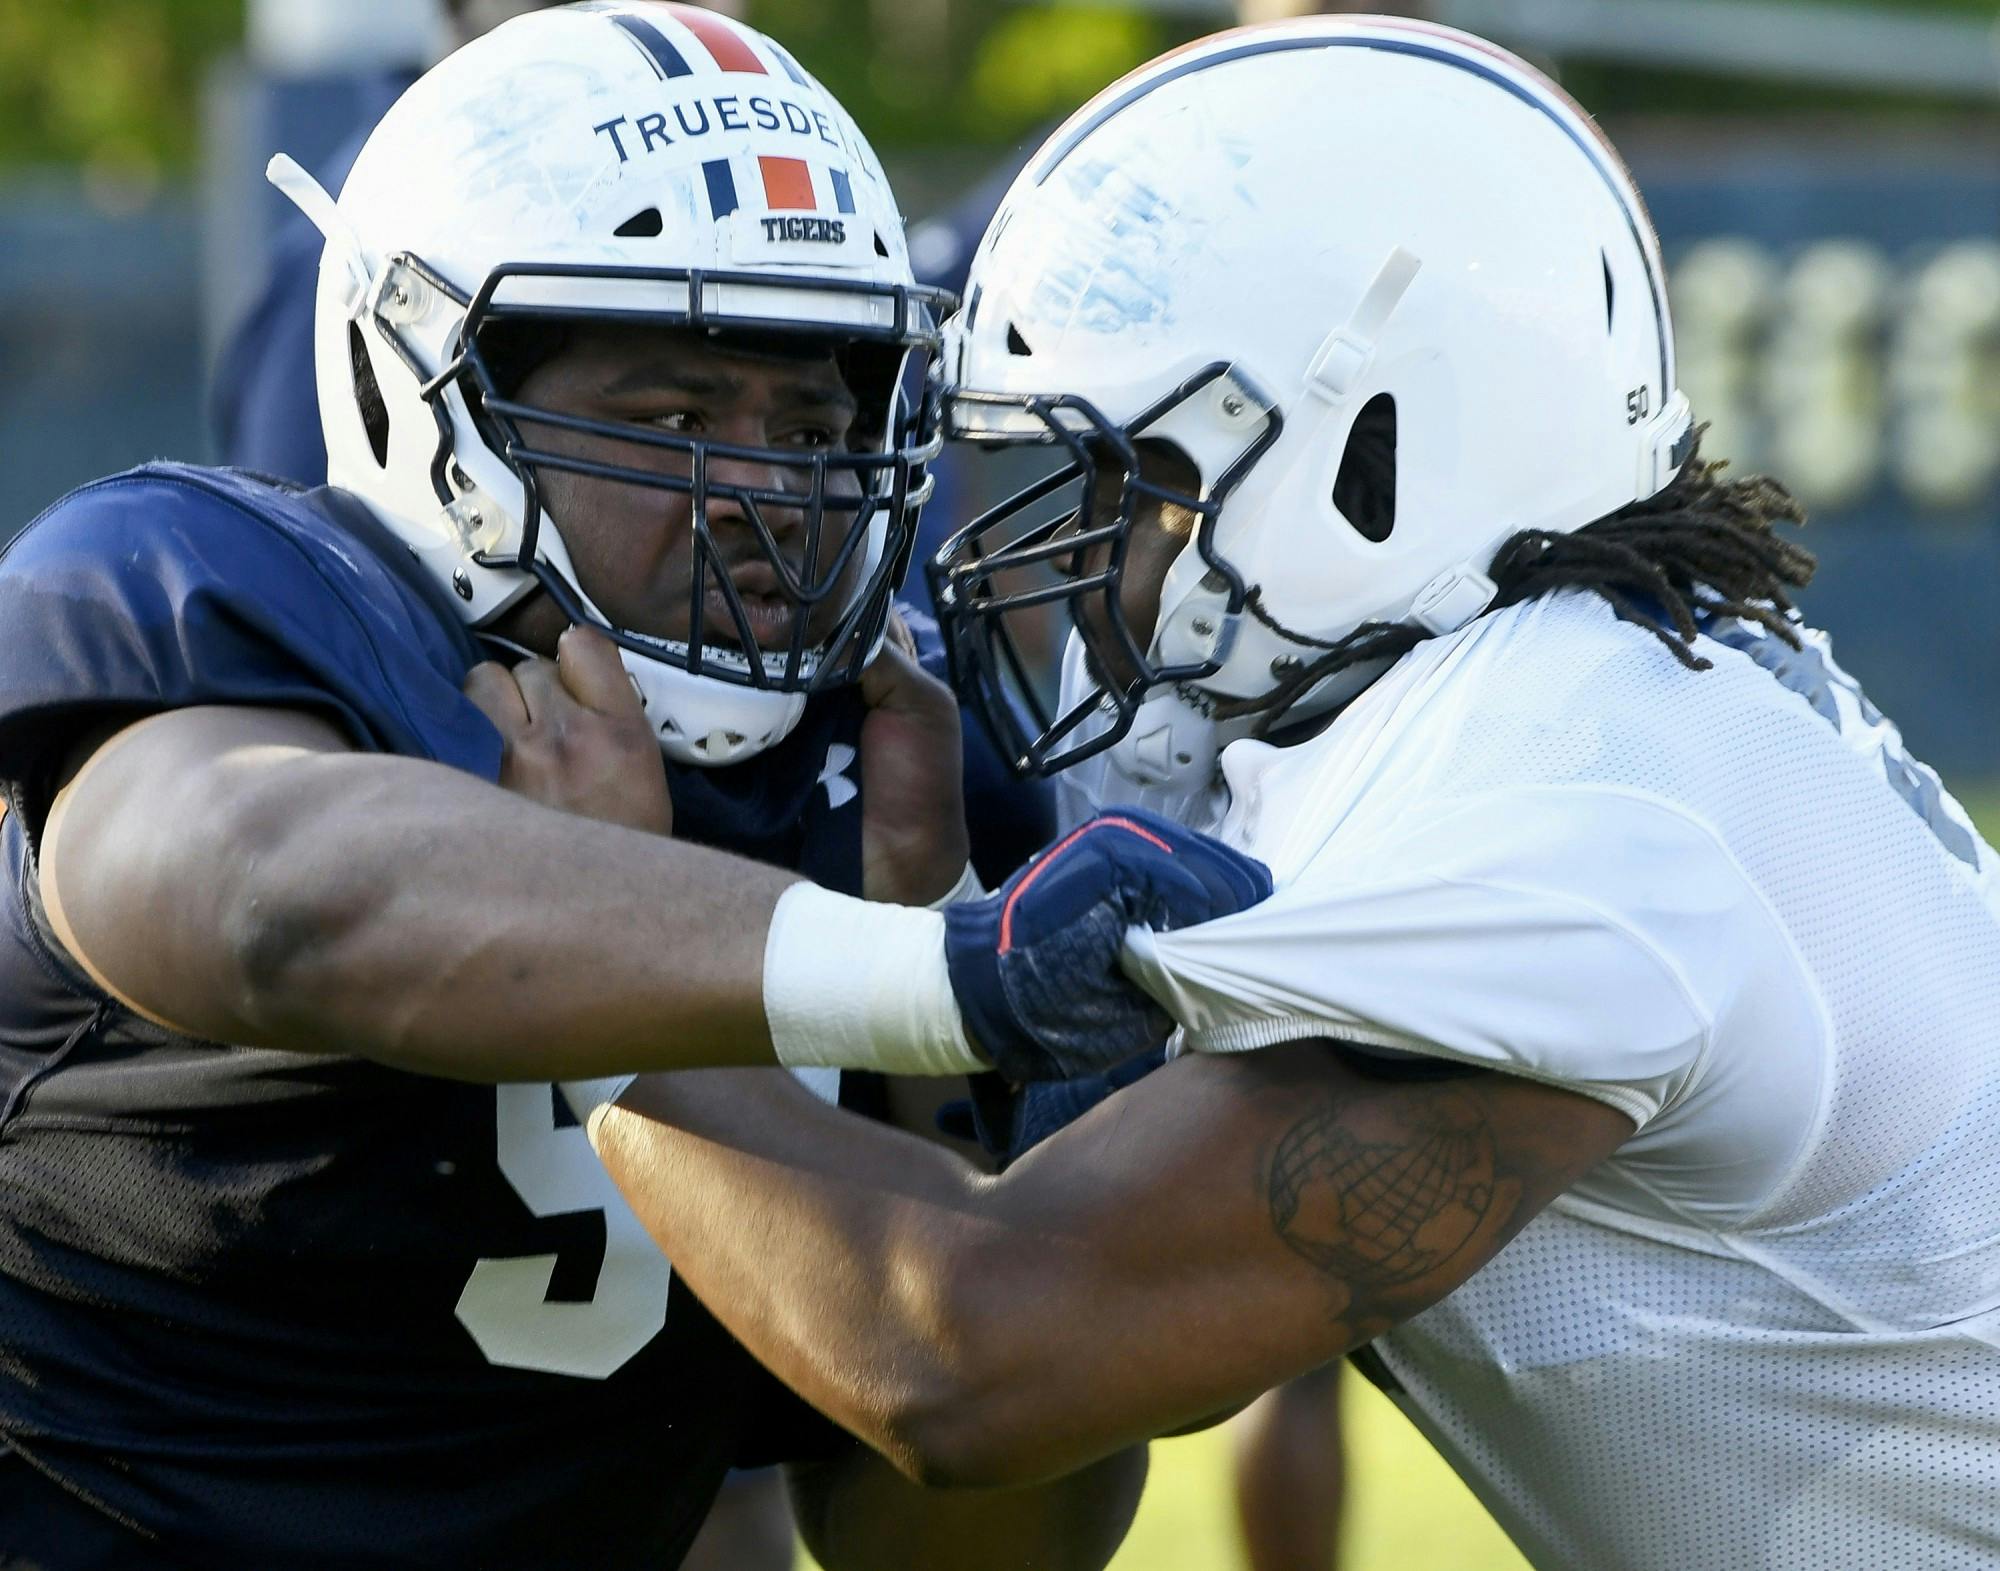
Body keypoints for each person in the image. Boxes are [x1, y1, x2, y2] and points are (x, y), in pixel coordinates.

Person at [578, 17, 2000, 1571]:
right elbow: (981, 1545)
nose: (1065, 568)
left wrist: (586, 954)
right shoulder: (1561, 706)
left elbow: (976, 1359)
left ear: (1363, 456)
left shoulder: (1556, 804)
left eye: (1128, 486)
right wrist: (919, 931)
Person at [0, 7, 1272, 1567]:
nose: (770, 497)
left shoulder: (894, 770)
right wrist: (923, 976)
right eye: (673, 419)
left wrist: (974, 1092)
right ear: (433, 407)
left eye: (816, 424)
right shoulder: (255, 596)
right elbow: (253, 889)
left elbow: (963, 1511)